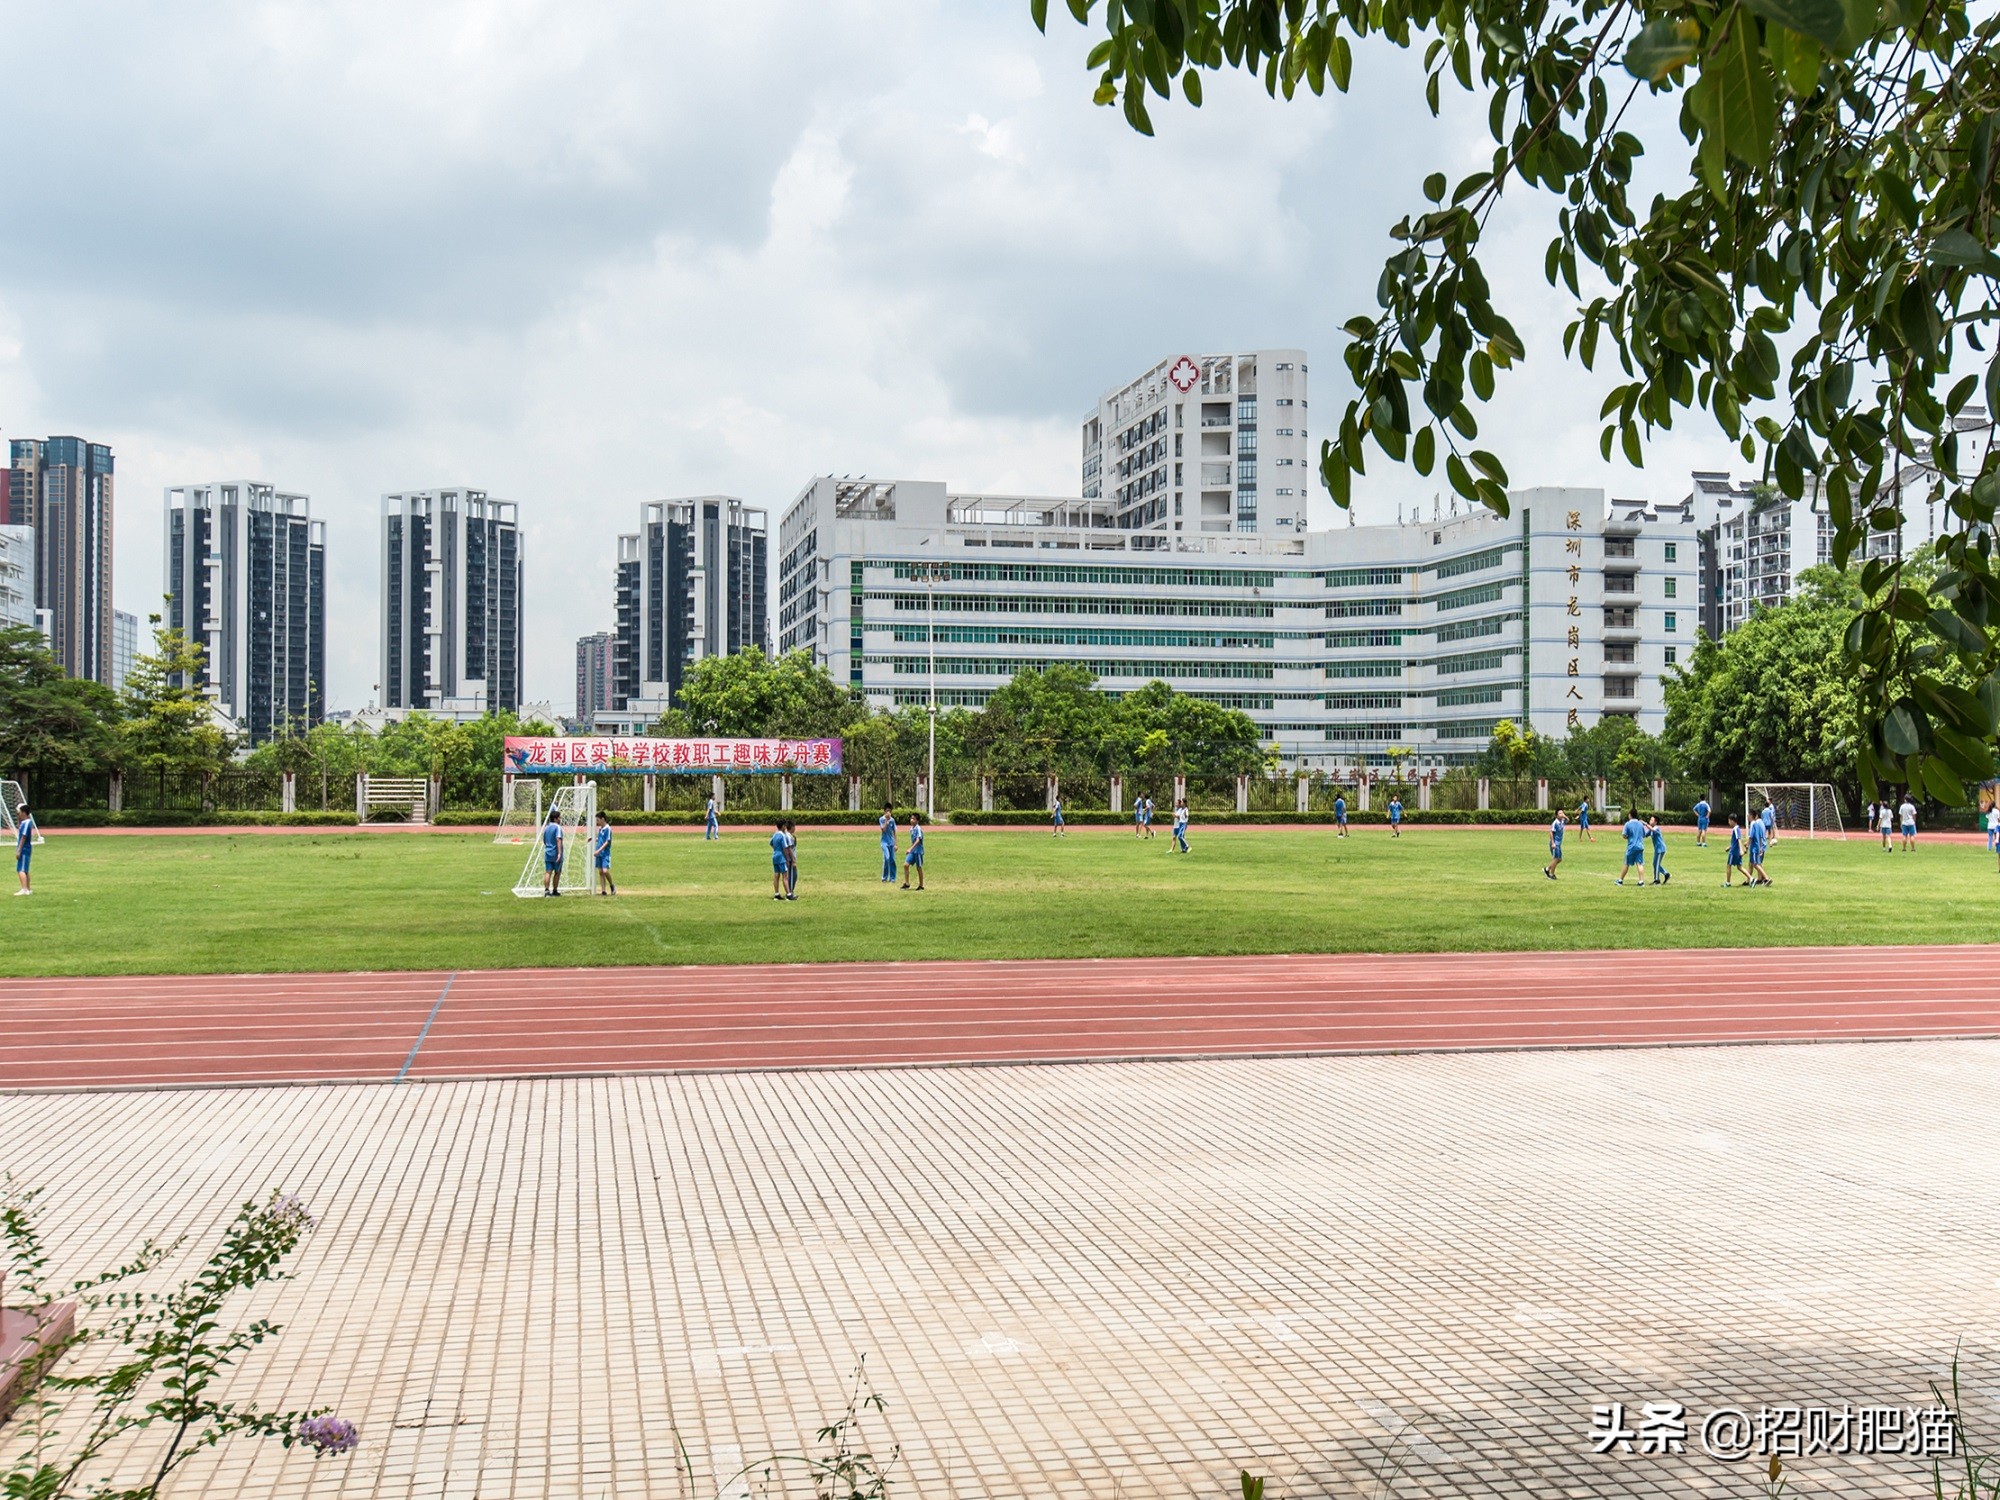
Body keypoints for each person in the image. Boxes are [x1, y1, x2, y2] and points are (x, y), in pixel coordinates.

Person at [1618, 808, 1647, 885]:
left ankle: (1620, 880)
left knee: (1626, 863)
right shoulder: (1640, 824)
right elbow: (1644, 834)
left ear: (1630, 815)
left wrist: (1629, 837)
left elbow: (1624, 835)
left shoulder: (1627, 824)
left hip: (1631, 846)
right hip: (1640, 846)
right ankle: (1641, 881)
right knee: (1639, 864)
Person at [540, 810, 564, 897]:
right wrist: (559, 853)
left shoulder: (547, 828)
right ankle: (555, 890)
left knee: (548, 872)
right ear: (555, 819)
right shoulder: (557, 827)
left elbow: (544, 840)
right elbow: (558, 839)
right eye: (559, 818)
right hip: (555, 852)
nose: (560, 819)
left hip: (548, 852)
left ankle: (546, 891)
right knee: (557, 872)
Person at [13, 803, 35, 895]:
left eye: (20, 812)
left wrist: (19, 850)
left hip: (24, 849)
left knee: (20, 869)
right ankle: (28, 889)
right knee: (25, 869)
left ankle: (24, 889)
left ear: (24, 813)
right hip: (26, 849)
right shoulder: (24, 822)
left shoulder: (26, 823)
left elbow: (23, 837)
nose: (19, 814)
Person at [901, 814, 925, 890]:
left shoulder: (918, 828)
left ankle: (921, 885)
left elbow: (918, 840)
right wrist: (911, 849)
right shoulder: (911, 829)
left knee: (919, 867)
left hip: (918, 851)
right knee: (906, 865)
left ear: (917, 821)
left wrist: (910, 848)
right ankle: (907, 883)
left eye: (914, 819)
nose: (911, 820)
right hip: (913, 851)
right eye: (911, 818)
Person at [1746, 809, 1770, 885]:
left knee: (1755, 864)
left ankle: (1766, 878)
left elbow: (1751, 836)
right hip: (1758, 846)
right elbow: (1760, 836)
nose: (1747, 816)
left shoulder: (1754, 824)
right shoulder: (1758, 823)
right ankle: (1749, 880)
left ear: (1751, 816)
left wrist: (1747, 844)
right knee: (1752, 863)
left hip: (1755, 847)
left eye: (1748, 815)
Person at [593, 818, 616, 896]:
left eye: (598, 820)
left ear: (602, 819)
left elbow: (607, 841)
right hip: (599, 853)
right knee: (600, 872)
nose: (597, 822)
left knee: (605, 871)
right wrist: (593, 839)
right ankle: (603, 891)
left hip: (605, 853)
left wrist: (598, 850)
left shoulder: (608, 829)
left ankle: (612, 885)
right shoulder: (601, 829)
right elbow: (600, 839)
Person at [770, 819, 790, 900]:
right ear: (783, 826)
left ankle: (776, 894)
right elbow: (785, 848)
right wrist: (787, 859)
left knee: (776, 875)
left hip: (775, 856)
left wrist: (776, 849)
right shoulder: (782, 835)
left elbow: (771, 843)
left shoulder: (775, 834)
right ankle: (788, 894)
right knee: (785, 876)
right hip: (781, 857)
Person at [1543, 808, 1565, 880]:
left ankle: (1547, 869)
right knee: (1556, 859)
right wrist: (1553, 843)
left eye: (1562, 813)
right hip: (1555, 843)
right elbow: (1551, 832)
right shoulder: (1555, 823)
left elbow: (1568, 820)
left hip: (1559, 844)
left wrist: (1564, 816)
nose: (1561, 814)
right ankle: (1551, 875)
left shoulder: (1562, 821)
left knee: (1559, 859)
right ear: (1556, 815)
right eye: (1560, 813)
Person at [1648, 814, 1670, 886]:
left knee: (1656, 865)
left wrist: (1645, 824)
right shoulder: (1651, 829)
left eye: (1652, 820)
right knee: (1655, 864)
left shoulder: (1656, 828)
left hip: (1661, 849)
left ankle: (1657, 880)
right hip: (1657, 849)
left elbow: (1652, 830)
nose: (1650, 821)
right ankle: (1666, 874)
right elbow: (1644, 834)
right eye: (1650, 820)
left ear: (1655, 822)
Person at [1724, 815, 1746, 886]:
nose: (1729, 822)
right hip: (1735, 850)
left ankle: (1728, 882)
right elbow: (1735, 842)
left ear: (1732, 821)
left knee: (1728, 865)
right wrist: (1729, 847)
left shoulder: (1735, 829)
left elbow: (1739, 839)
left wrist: (1741, 850)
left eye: (1729, 821)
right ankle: (1751, 878)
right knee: (1739, 867)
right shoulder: (1737, 828)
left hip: (1734, 852)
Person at [879, 803, 898, 882]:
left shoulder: (892, 820)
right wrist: (886, 820)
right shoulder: (881, 819)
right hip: (884, 842)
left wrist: (895, 844)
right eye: (887, 811)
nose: (888, 813)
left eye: (890, 811)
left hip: (891, 842)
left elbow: (894, 832)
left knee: (892, 860)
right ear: (884, 811)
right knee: (887, 858)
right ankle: (884, 877)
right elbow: (883, 829)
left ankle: (893, 878)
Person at [782, 818, 798, 900]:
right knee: (792, 876)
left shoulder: (790, 836)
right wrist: (793, 860)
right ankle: (790, 893)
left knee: (794, 875)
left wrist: (795, 838)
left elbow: (793, 846)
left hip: (791, 859)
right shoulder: (788, 836)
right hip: (790, 860)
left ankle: (791, 891)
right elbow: (790, 849)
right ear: (792, 827)